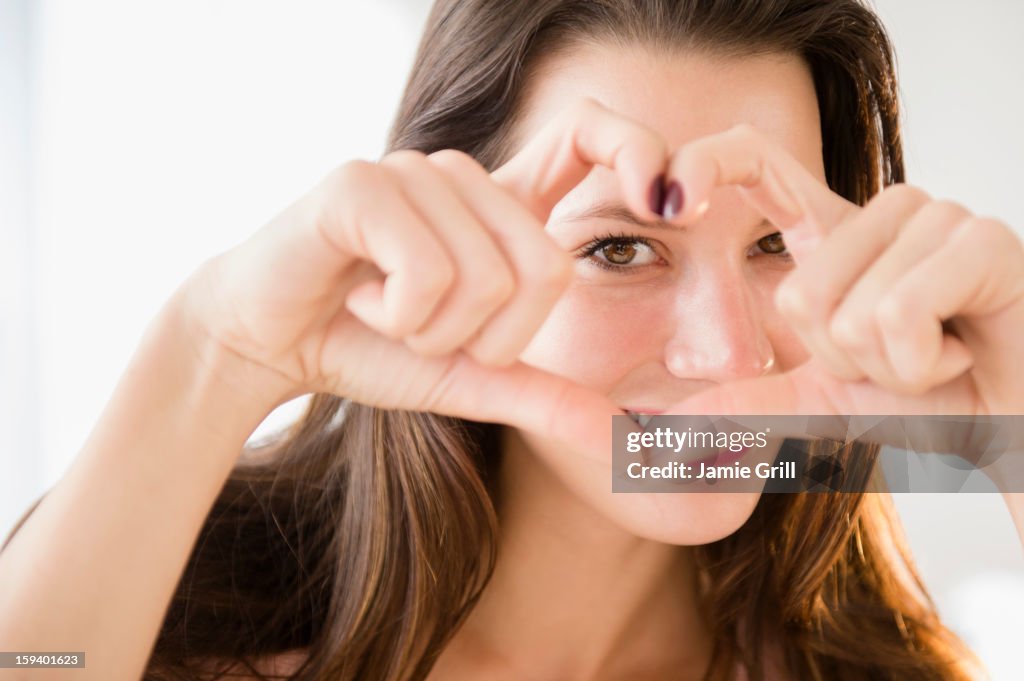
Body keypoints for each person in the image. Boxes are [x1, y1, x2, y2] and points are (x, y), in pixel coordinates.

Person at [1, 0, 1022, 679]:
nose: (730, 354)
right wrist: (211, 348)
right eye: (620, 248)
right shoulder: (176, 606)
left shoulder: (873, 666)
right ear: (453, 241)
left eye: (772, 243)